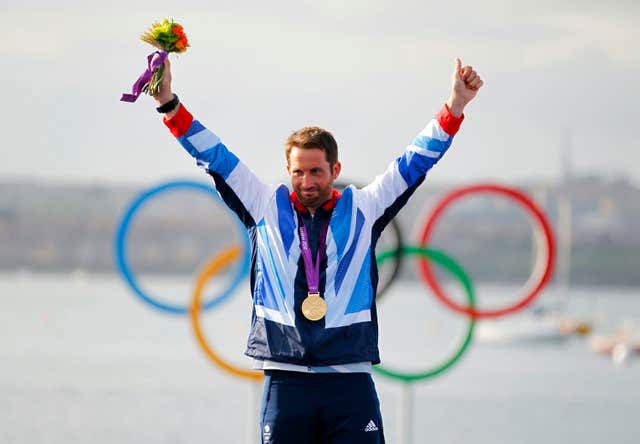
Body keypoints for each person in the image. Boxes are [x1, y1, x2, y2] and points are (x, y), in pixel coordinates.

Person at [152, 57, 482, 443]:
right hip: (285, 380)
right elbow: (215, 157)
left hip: (350, 381)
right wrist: (168, 104)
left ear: (335, 169)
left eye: (316, 171)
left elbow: (414, 163)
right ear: (287, 169)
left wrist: (455, 106)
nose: (306, 181)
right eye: (298, 172)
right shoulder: (263, 205)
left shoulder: (365, 208)